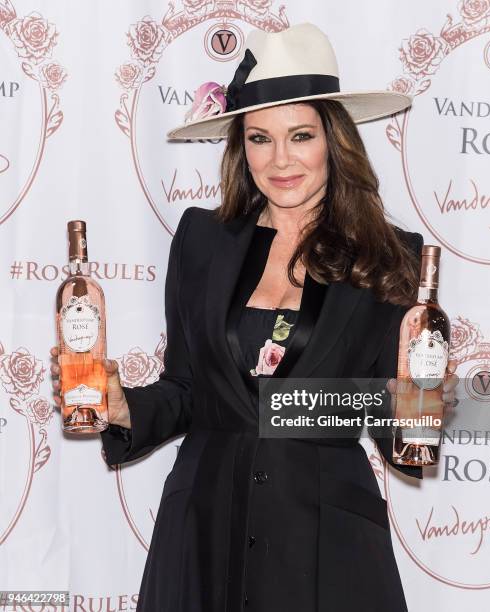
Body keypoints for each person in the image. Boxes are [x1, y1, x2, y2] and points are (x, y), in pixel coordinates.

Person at [50, 23, 459, 612]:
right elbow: (188, 389)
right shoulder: (200, 240)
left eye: (300, 135)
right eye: (260, 139)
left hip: (327, 546)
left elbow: (396, 431)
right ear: (241, 148)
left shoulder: (388, 256)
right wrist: (120, 406)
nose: (281, 159)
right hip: (203, 526)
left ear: (333, 141)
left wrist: (424, 404)